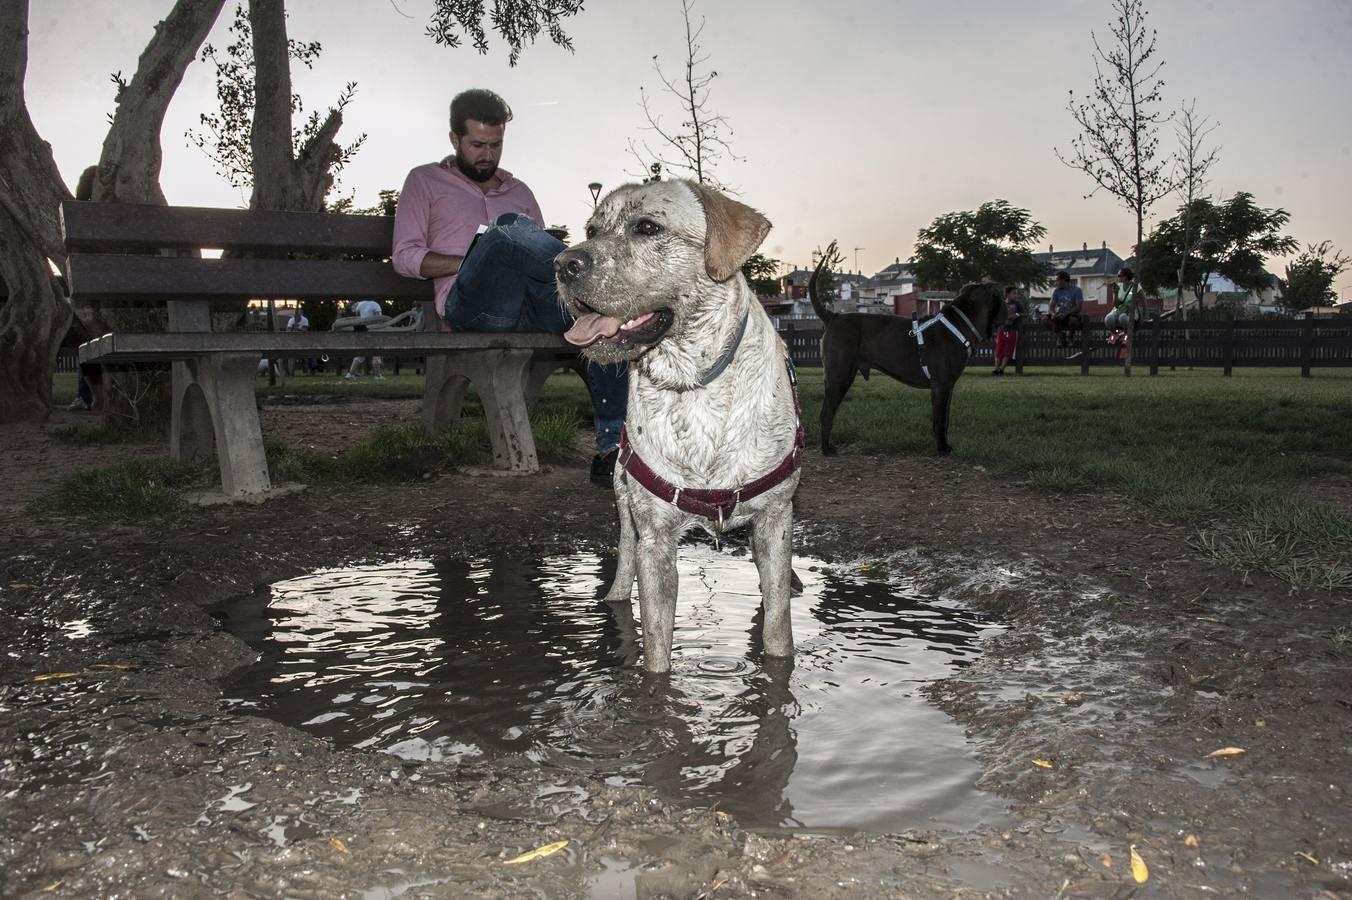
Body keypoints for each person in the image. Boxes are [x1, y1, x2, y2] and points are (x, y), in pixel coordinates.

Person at [391, 88, 628, 484]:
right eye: (477, 145)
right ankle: (604, 285)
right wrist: (473, 260)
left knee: (601, 324)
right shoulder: (425, 181)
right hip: (473, 306)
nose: (487, 154)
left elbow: (539, 258)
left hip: (531, 304)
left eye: (496, 145)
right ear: (454, 139)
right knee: (506, 230)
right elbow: (404, 256)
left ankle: (613, 452)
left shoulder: (521, 192)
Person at [345, 298, 385, 380]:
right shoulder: (375, 304)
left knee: (361, 354)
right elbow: (379, 318)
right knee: (376, 353)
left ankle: (350, 374)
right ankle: (377, 375)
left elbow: (357, 319)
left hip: (362, 332)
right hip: (373, 331)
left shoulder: (359, 304)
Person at [1046, 270, 1084, 351]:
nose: (1055, 283)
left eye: (1057, 280)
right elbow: (1051, 306)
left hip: (1072, 315)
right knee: (1045, 319)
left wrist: (1066, 314)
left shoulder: (1077, 290)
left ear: (1063, 281)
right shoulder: (1056, 291)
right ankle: (1060, 335)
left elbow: (1078, 307)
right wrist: (1053, 314)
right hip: (1059, 315)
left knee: (1073, 321)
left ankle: (1070, 336)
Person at [992, 286, 1023, 376]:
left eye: (1016, 293)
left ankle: (1002, 369)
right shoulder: (1002, 304)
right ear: (1007, 294)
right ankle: (996, 368)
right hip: (1001, 329)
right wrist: (995, 330)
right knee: (998, 350)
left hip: (1012, 330)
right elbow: (997, 316)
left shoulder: (1018, 304)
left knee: (1008, 350)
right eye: (1014, 293)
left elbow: (1022, 312)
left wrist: (1016, 315)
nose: (1016, 295)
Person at [1105, 267, 1140, 345]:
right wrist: (1115, 293)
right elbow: (1116, 305)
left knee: (1122, 317)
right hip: (1119, 310)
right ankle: (1115, 334)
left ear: (1125, 277)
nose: (1118, 277)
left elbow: (1143, 302)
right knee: (1108, 319)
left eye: (1119, 275)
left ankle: (1127, 336)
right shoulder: (1118, 286)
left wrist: (1145, 316)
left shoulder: (1136, 286)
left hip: (1131, 312)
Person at [285, 305, 314, 375]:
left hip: (303, 341)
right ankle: (289, 372)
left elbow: (305, 330)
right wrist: (298, 329)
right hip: (292, 341)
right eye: (295, 314)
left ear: (301, 314)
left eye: (298, 314)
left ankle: (308, 371)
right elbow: (288, 331)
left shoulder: (305, 320)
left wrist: (296, 328)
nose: (296, 316)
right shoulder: (291, 320)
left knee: (309, 354)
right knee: (289, 356)